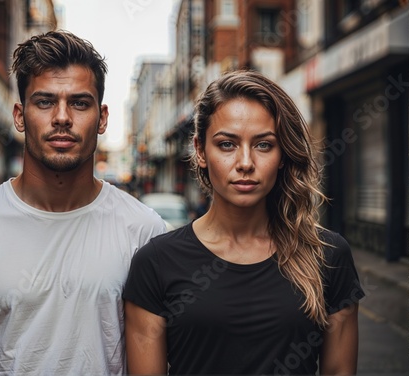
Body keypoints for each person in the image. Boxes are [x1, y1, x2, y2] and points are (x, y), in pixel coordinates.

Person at [0, 30, 165, 375]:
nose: (62, 117)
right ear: (19, 116)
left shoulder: (146, 231)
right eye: (45, 102)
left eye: (79, 103)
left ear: (103, 118)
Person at [123, 69, 365, 375]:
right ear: (200, 150)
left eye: (263, 144)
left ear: (282, 154)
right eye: (227, 144)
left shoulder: (328, 255)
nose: (246, 163)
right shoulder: (155, 263)